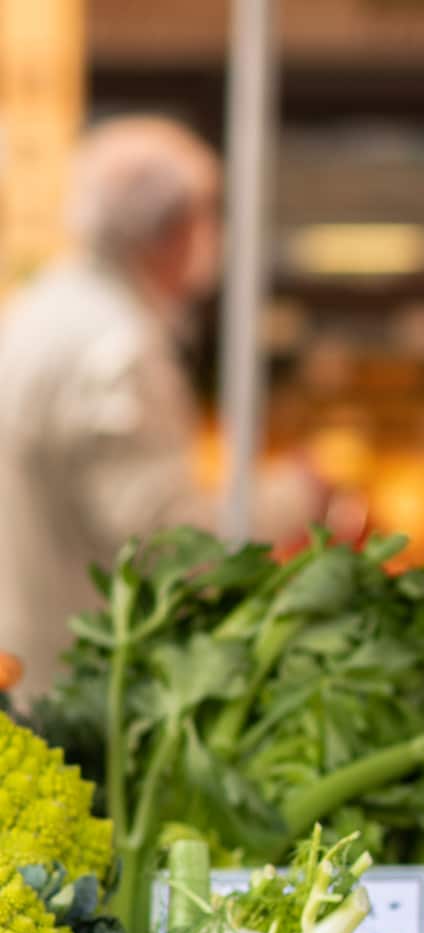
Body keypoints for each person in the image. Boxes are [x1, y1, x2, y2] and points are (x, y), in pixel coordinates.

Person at [0, 117, 318, 698]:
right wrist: (292, 496)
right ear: (167, 231)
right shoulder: (117, 347)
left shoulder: (35, 309)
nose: (211, 239)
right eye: (205, 218)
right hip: (73, 674)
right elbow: (165, 539)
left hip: (25, 651)